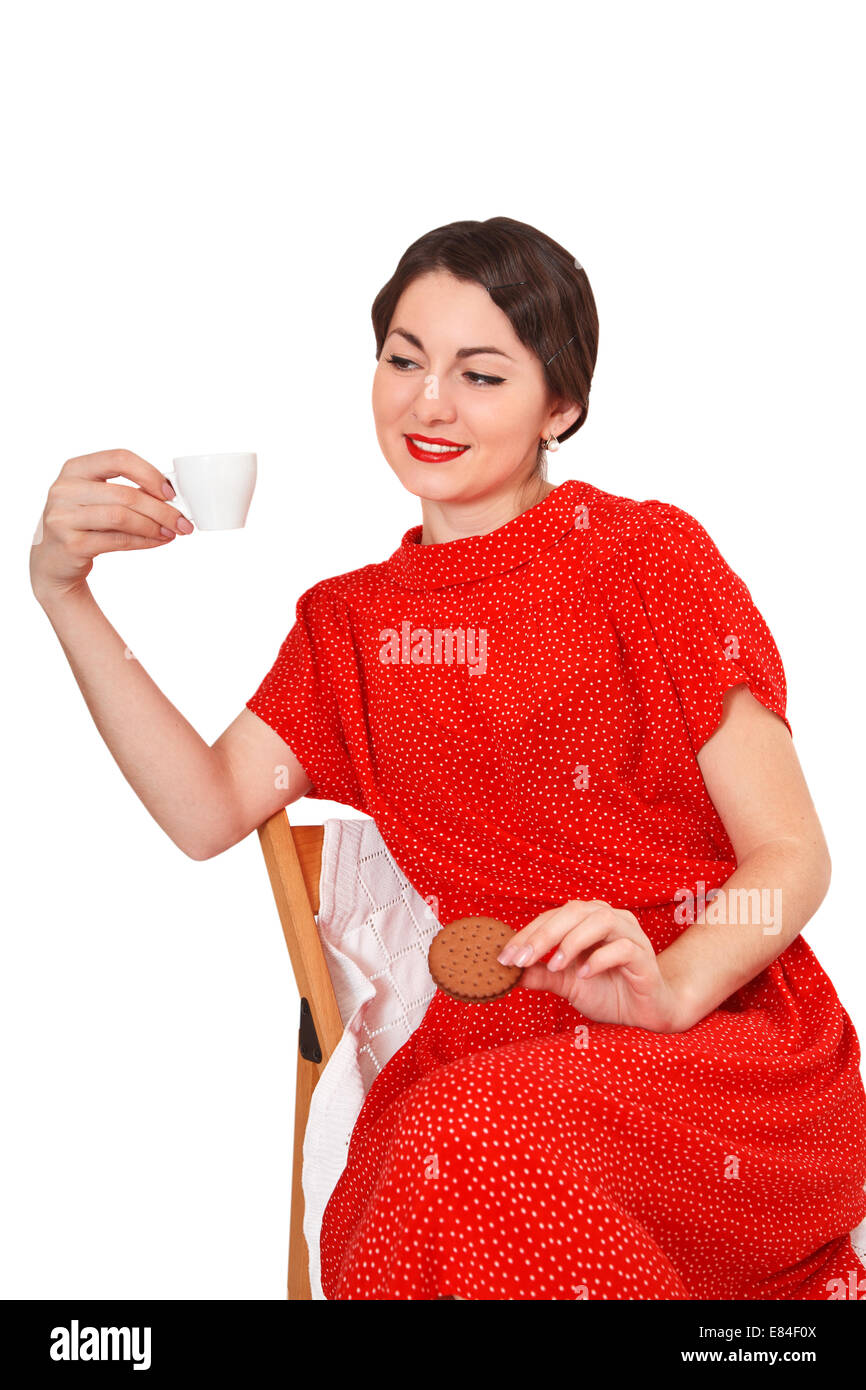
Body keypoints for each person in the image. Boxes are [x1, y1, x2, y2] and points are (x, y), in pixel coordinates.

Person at [31, 216, 866, 1302]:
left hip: (712, 1038)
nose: (428, 402)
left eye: (479, 373)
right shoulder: (347, 624)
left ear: (558, 405)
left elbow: (790, 856)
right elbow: (206, 810)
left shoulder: (648, 556)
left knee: (472, 1144)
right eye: (402, 359)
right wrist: (63, 594)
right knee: (447, 1148)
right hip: (490, 1047)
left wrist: (666, 988)